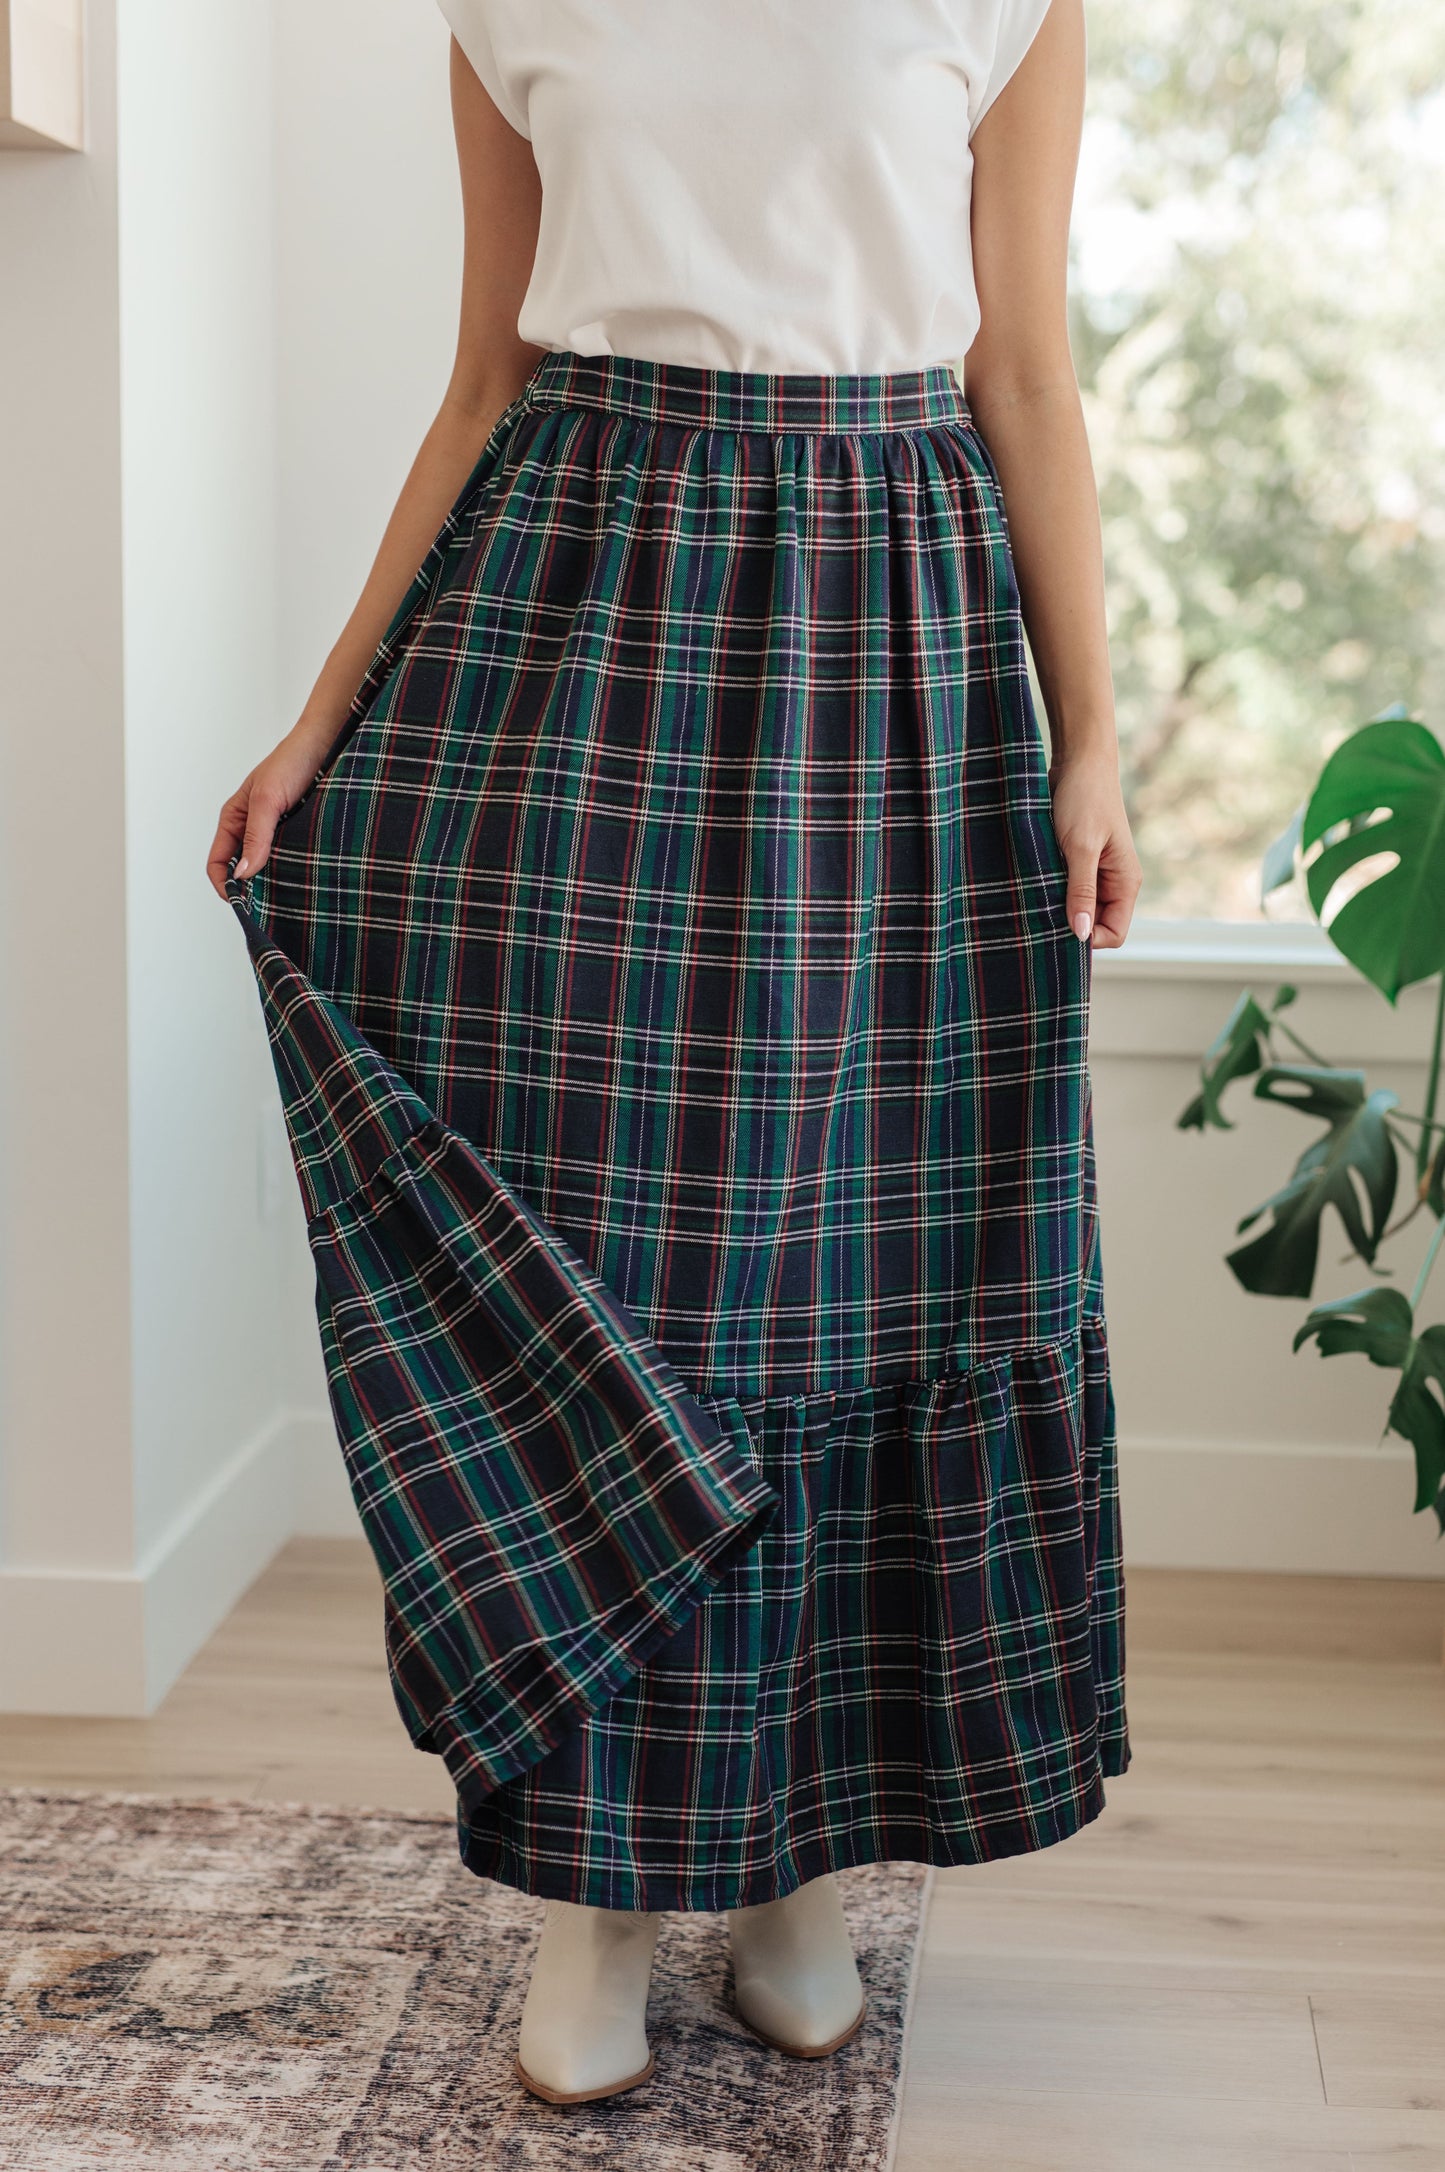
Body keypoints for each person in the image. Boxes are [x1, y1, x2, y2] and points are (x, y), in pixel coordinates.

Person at [207, 0, 1140, 2109]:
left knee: (845, 1275)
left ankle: (796, 1866)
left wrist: (1089, 738)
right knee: (632, 1279)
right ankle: (594, 1900)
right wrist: (324, 720)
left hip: (891, 640)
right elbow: (482, 384)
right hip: (576, 616)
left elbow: (1022, 373)